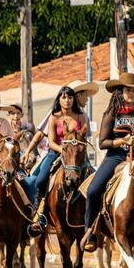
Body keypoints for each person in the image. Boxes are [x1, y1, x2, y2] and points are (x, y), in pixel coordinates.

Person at [80, 73, 134, 252]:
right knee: (92, 191)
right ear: (119, 92)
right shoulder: (111, 113)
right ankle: (90, 231)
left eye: (133, 91)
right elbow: (102, 142)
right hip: (115, 157)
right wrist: (122, 141)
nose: (131, 93)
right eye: (127, 90)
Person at [28, 86, 92, 232]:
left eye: (70, 97)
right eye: (64, 97)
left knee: (93, 179)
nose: (67, 100)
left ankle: (95, 216)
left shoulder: (81, 116)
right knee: (40, 180)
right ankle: (39, 214)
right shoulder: (54, 117)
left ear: (73, 99)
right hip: (56, 152)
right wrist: (63, 150)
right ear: (59, 100)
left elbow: (83, 139)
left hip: (77, 155)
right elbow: (51, 142)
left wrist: (75, 150)